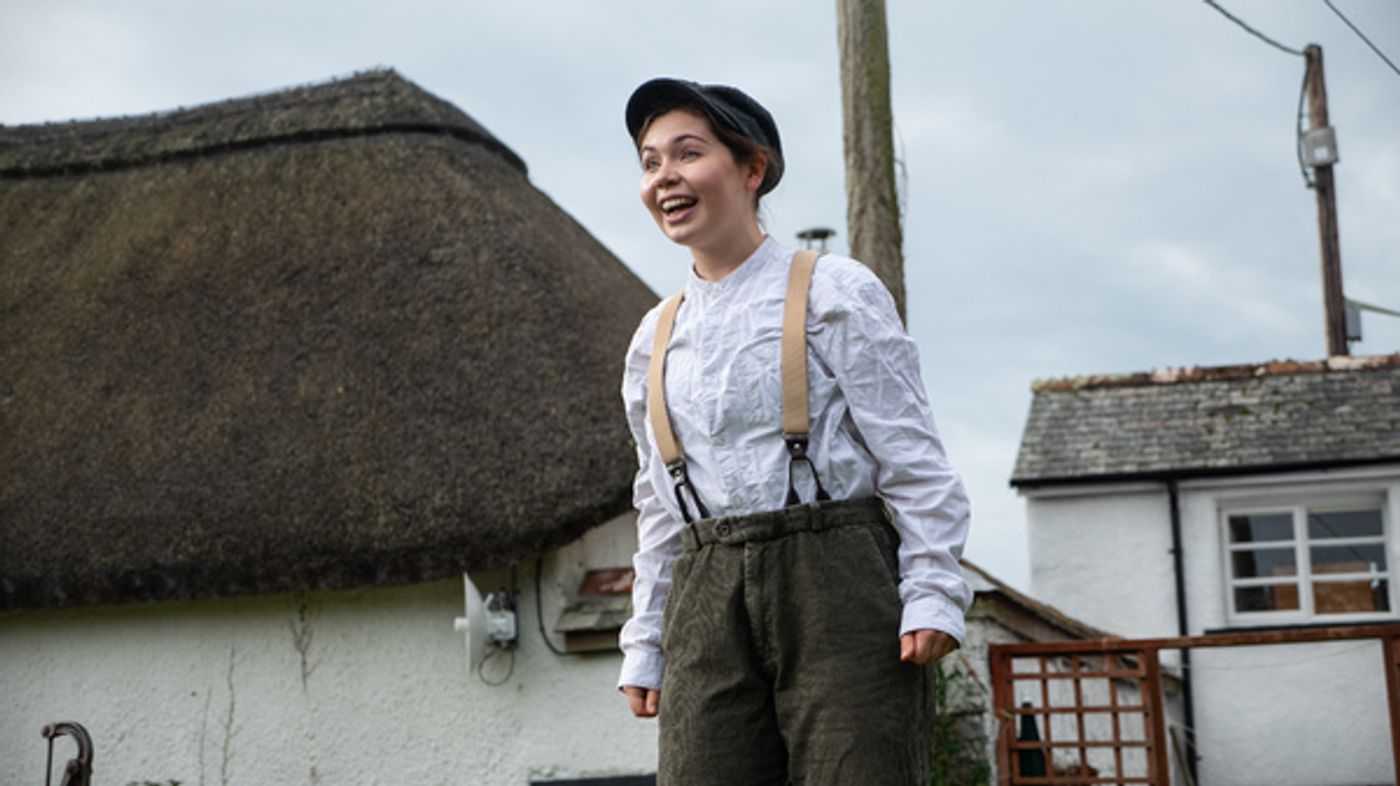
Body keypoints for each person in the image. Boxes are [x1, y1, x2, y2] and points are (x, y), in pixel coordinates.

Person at [616, 77, 971, 786]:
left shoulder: (837, 291)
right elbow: (658, 507)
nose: (665, 178)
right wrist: (645, 641)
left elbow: (911, 456)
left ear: (753, 170)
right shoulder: (653, 339)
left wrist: (932, 588)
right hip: (705, 592)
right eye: (650, 162)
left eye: (688, 153)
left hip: (836, 583)